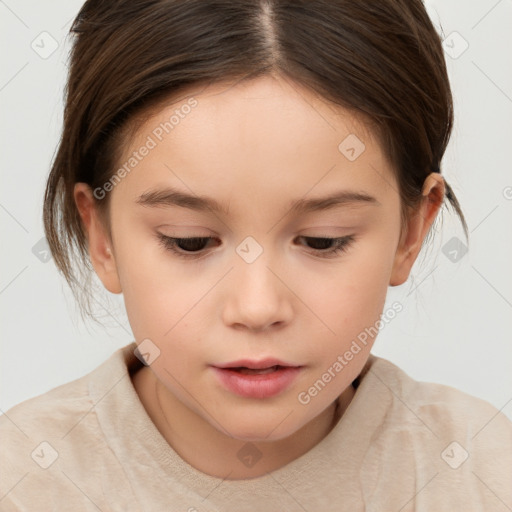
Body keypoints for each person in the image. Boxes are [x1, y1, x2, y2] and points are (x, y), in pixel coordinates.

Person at [1, 0, 510, 510]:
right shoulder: (23, 478)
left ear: (411, 232)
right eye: (190, 241)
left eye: (323, 241)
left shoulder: (480, 472)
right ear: (101, 237)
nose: (257, 307)